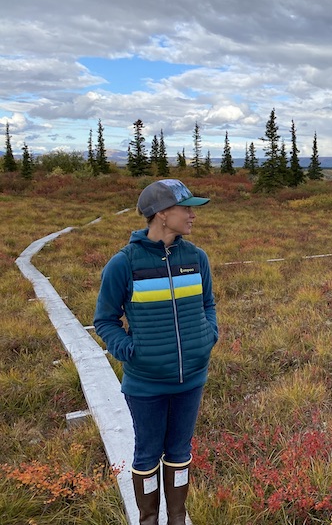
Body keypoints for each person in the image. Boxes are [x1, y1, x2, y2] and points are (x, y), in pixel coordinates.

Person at [94, 179, 218, 525]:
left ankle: (176, 518)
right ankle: (148, 519)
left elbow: (208, 303)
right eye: (186, 208)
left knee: (180, 452)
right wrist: (131, 351)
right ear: (162, 215)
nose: (192, 215)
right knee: (147, 454)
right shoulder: (124, 264)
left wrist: (208, 335)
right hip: (146, 384)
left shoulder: (196, 258)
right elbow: (104, 320)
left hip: (191, 379)